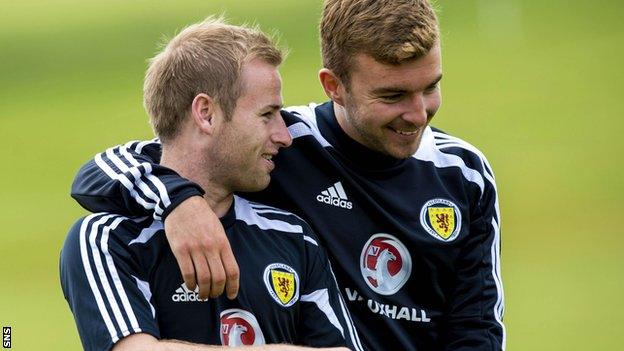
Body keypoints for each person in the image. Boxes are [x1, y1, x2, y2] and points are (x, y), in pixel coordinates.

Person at [71, 0, 505, 349]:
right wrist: (180, 201)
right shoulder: (282, 143)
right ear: (333, 85)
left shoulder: (463, 175)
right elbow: (124, 163)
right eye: (391, 95)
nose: (418, 113)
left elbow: (476, 327)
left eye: (430, 87)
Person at [60, 17, 360, 351]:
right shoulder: (110, 238)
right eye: (267, 115)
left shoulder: (294, 237)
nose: (284, 135)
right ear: (206, 113)